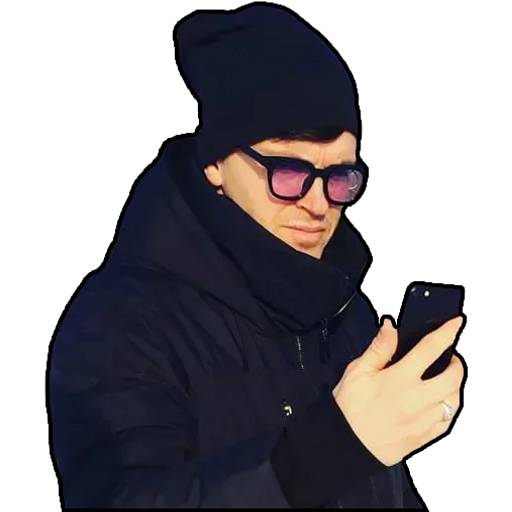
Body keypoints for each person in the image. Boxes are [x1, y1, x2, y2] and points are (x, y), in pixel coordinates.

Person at [46, 3, 466, 508]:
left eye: (340, 177)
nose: (318, 204)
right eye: (289, 172)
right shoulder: (118, 321)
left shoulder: (345, 312)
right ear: (215, 165)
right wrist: (332, 450)